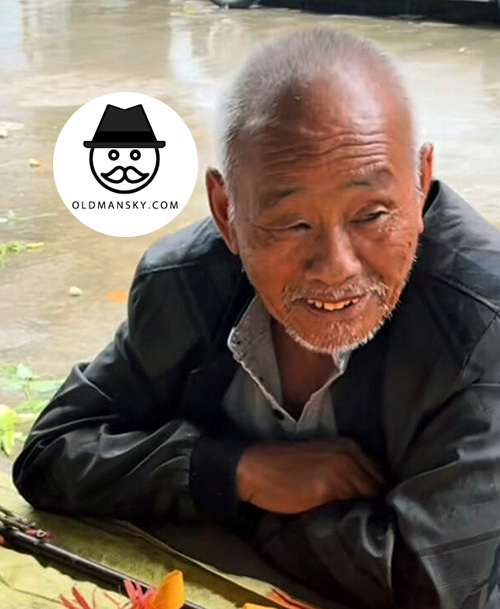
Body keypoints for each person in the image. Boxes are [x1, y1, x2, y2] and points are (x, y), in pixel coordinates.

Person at [13, 27, 500, 609]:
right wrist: (239, 470)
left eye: (372, 214)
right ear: (226, 211)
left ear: (420, 183)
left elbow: (437, 584)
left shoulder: (480, 321)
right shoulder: (186, 285)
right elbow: (51, 452)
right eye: (292, 223)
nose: (335, 267)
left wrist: (223, 496)